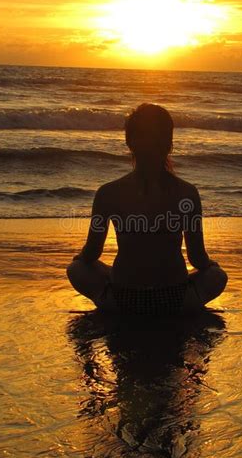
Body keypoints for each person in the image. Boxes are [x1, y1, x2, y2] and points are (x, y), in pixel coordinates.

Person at [67, 103, 227, 315]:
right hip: (175, 299)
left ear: (129, 142)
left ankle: (110, 300)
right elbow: (197, 258)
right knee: (217, 275)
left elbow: (91, 253)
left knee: (76, 269)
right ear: (169, 144)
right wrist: (210, 264)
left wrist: (80, 258)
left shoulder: (108, 193)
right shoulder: (187, 193)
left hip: (123, 298)